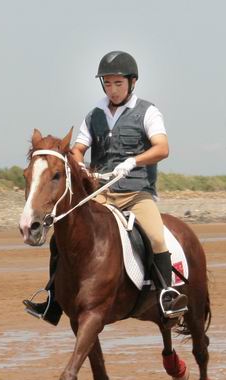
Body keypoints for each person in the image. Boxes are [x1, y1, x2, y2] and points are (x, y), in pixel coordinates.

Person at [23, 50, 188, 324]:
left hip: (136, 194)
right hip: (101, 194)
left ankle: (166, 295)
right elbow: (76, 150)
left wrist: (133, 161)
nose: (112, 89)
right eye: (108, 84)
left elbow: (162, 148)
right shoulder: (95, 115)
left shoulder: (148, 112)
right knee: (60, 238)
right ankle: (53, 299)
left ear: (132, 82)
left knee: (157, 238)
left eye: (118, 84)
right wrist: (82, 166)